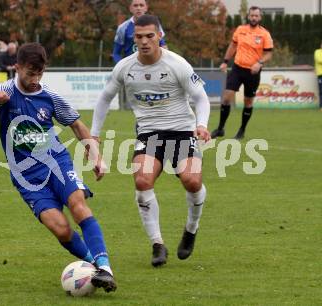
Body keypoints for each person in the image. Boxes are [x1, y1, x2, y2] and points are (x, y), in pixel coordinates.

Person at [0, 42, 117, 292]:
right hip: (26, 176)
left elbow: (77, 125)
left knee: (78, 205)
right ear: (17, 67)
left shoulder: (49, 96)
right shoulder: (4, 90)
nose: (35, 78)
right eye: (30, 73)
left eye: (40, 73)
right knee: (60, 228)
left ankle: (105, 267)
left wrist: (96, 157)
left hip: (57, 163)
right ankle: (93, 266)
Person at [91, 15, 211, 267]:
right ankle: (157, 244)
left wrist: (201, 125)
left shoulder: (177, 64)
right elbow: (104, 99)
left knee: (192, 180)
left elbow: (201, 98)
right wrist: (94, 135)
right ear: (133, 38)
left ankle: (191, 228)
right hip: (149, 134)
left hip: (182, 131)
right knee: (142, 179)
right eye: (139, 37)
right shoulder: (125, 67)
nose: (144, 41)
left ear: (159, 36)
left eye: (149, 36)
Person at [211, 6, 273, 140]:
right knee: (227, 98)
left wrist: (259, 63)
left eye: (256, 16)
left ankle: (242, 130)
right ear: (248, 16)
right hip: (237, 68)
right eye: (252, 15)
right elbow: (233, 46)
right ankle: (220, 128)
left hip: (253, 72)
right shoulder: (240, 30)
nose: (254, 18)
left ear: (260, 17)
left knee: (248, 102)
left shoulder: (264, 34)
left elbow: (269, 54)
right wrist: (225, 61)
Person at [315, 41, 322, 109]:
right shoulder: (317, 52)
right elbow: (319, 60)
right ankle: (321, 106)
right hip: (320, 74)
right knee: (321, 91)